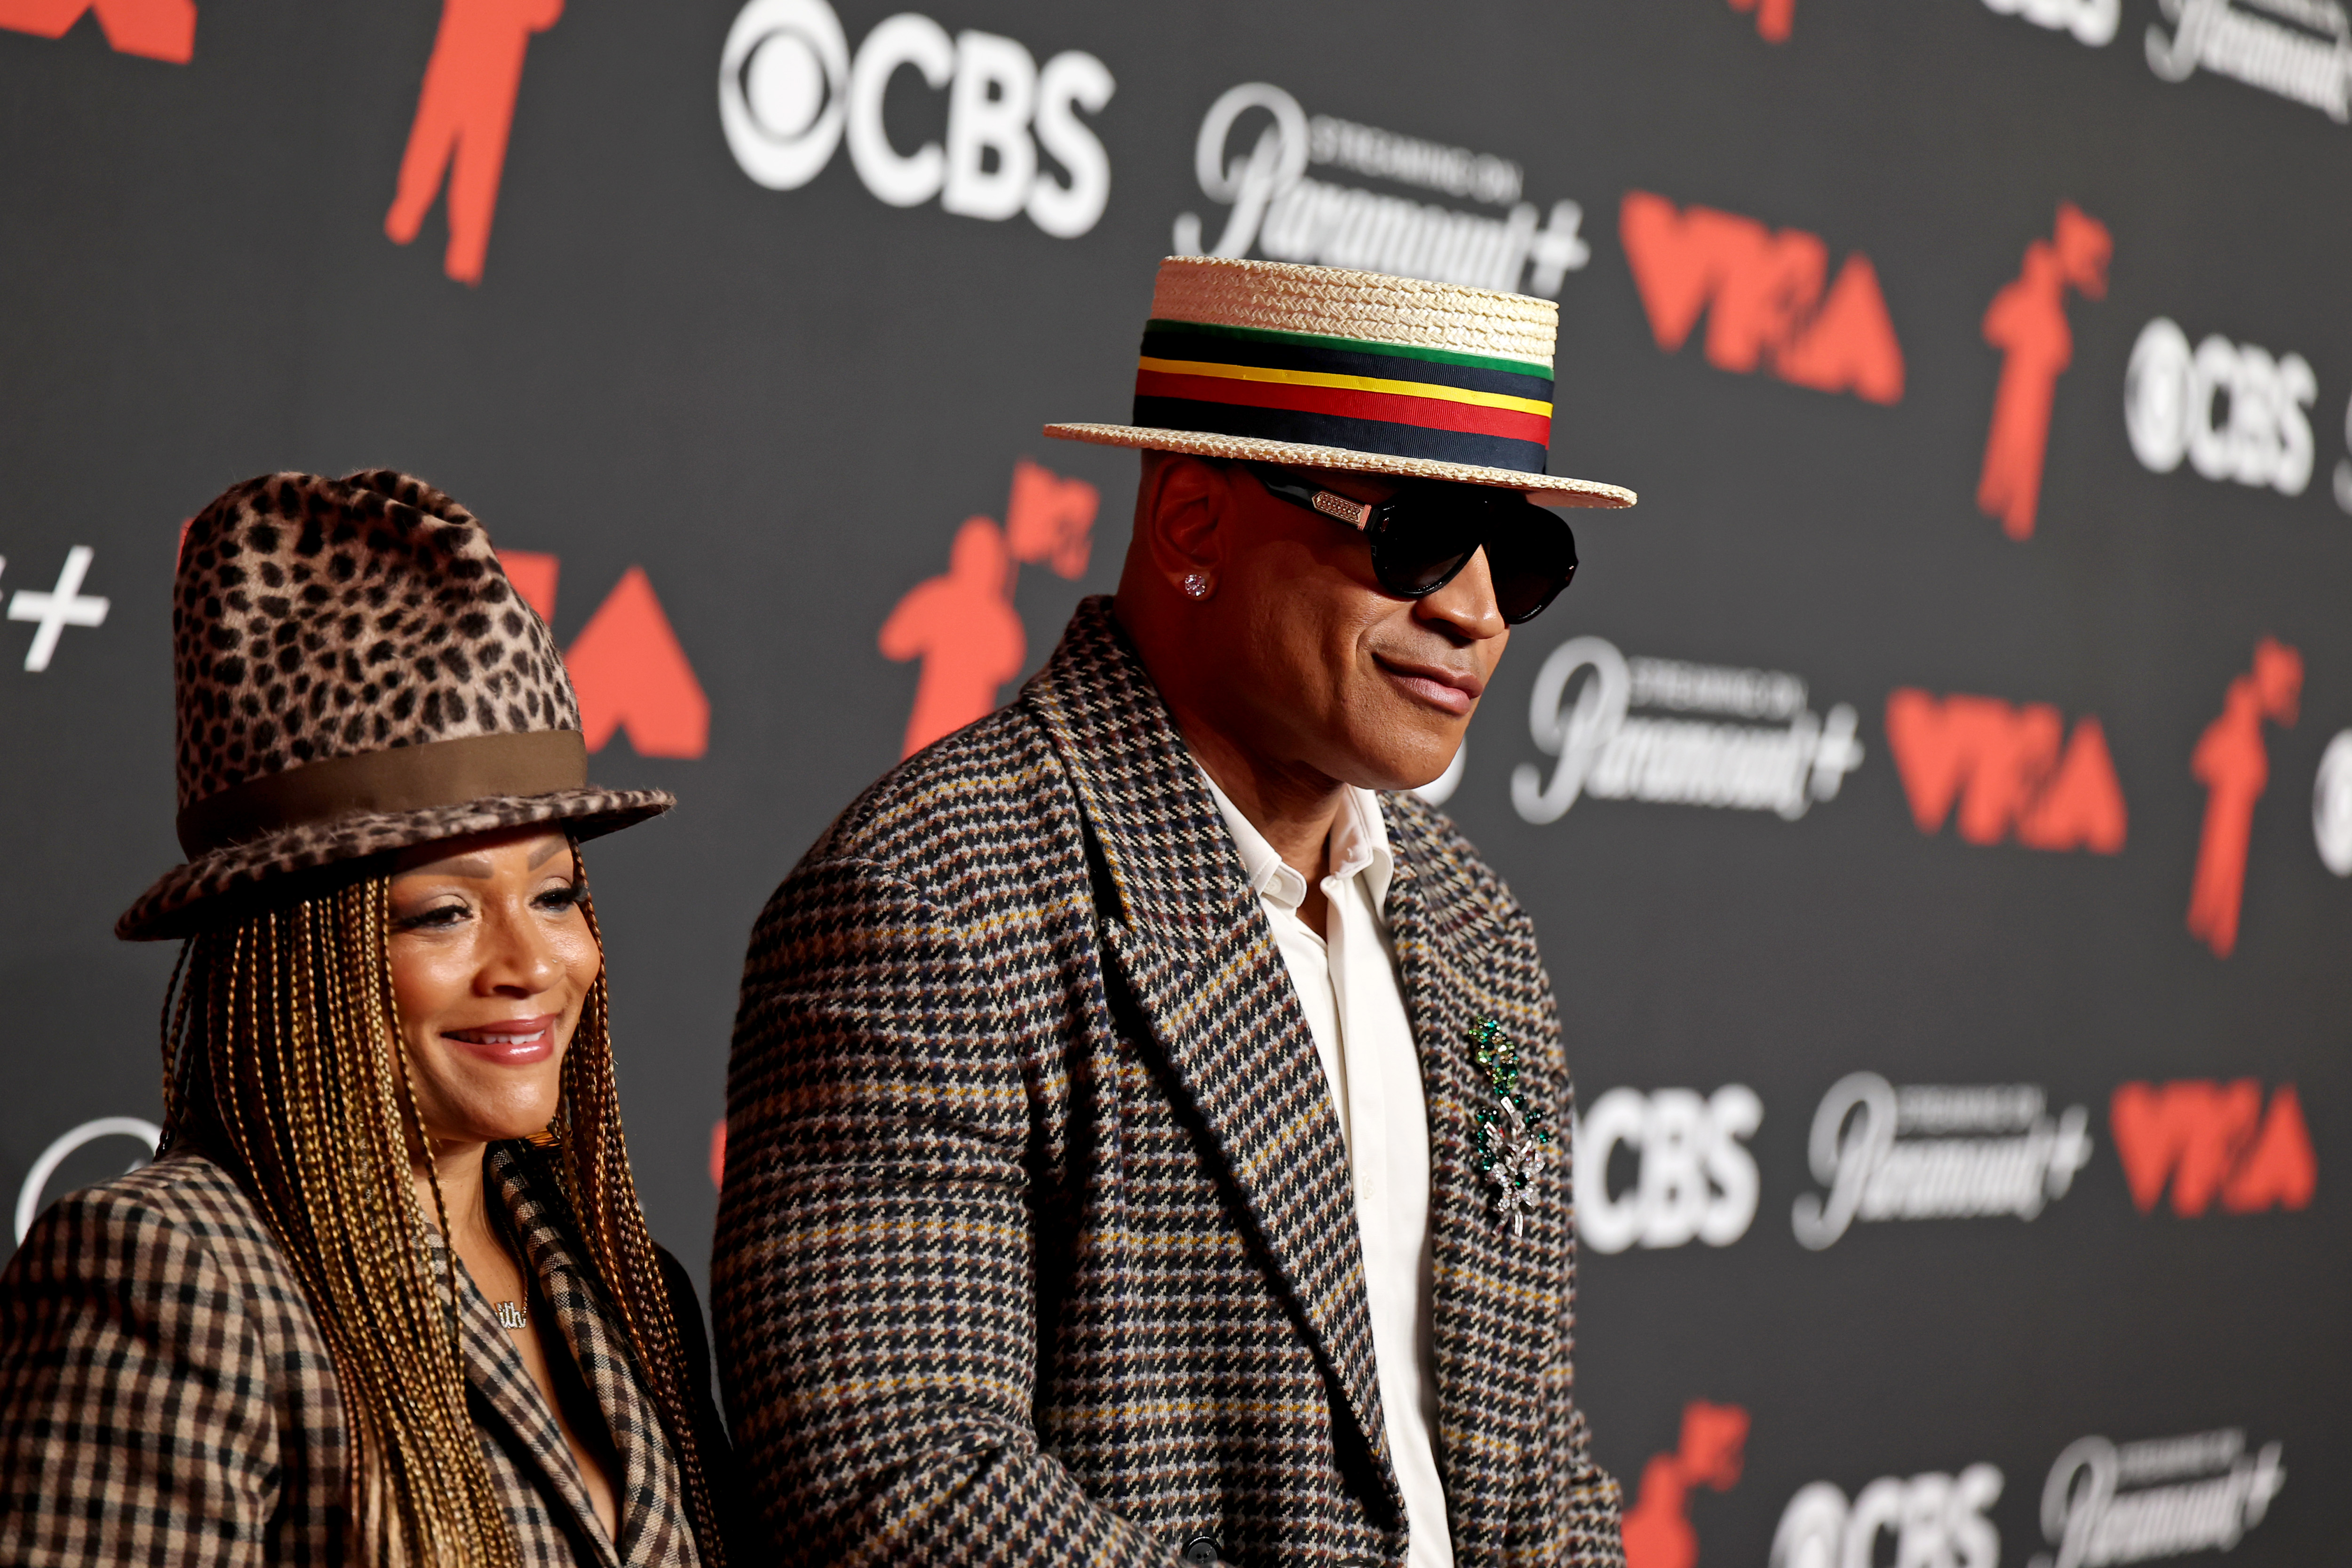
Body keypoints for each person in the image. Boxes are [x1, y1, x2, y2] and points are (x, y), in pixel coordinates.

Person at [715, 256, 1636, 1567]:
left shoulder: (1477, 924)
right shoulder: (938, 890)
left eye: (1523, 553)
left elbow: (1527, 1451)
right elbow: (897, 1477)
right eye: (1417, 531)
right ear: (1195, 524)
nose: (1476, 609)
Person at [0, 470, 741, 1567]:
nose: (533, 960)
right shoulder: (175, 1271)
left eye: (554, 893)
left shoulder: (624, 1282)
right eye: (443, 913)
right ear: (303, 960)